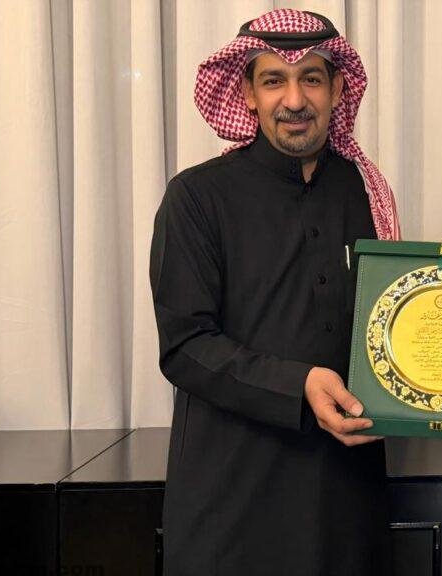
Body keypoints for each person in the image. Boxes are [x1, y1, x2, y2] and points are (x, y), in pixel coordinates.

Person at [149, 9, 400, 575]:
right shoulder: (197, 198)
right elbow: (185, 346)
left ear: (338, 88)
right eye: (273, 80)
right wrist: (299, 383)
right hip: (233, 499)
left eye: (311, 78)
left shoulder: (366, 192)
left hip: (346, 495)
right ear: (247, 92)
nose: (294, 99)